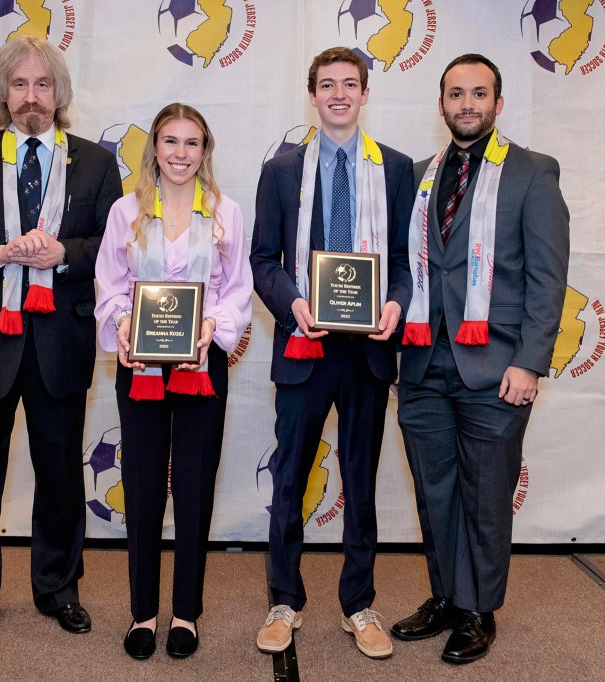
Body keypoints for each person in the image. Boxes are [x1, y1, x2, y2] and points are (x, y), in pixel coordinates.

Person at [0, 35, 122, 644]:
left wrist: (65, 254)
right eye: (19, 85)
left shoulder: (94, 161)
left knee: (60, 475)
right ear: (2, 93)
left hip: (60, 343)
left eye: (42, 85)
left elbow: (116, 249)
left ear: (59, 94)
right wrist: (0, 253)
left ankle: (59, 590)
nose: (31, 97)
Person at [391, 53, 569, 664]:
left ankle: (478, 609)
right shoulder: (417, 176)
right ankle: (445, 595)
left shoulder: (532, 174)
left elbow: (548, 280)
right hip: (421, 365)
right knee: (434, 491)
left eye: (479, 93)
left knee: (485, 494)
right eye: (455, 94)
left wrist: (531, 362)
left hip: (496, 368)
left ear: (498, 102)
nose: (467, 104)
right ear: (440, 103)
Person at [250, 47, 414, 660]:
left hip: (368, 354)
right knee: (290, 478)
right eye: (327, 85)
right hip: (304, 344)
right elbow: (263, 259)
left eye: (350, 84)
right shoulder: (282, 169)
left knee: (361, 483)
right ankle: (284, 600)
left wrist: (395, 303)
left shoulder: (395, 169)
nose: (339, 94)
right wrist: (293, 302)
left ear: (365, 93)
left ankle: (358, 604)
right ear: (312, 95)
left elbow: (402, 262)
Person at [94, 103, 252, 660]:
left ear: (204, 151)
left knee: (193, 489)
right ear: (154, 148)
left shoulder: (226, 212)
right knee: (140, 490)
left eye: (192, 143)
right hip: (140, 368)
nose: (180, 154)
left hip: (200, 366)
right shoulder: (125, 211)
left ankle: (185, 612)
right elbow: (110, 285)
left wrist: (214, 326)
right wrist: (123, 324)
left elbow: (237, 290)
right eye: (170, 142)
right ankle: (143, 613)